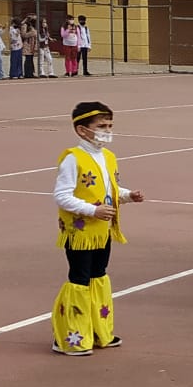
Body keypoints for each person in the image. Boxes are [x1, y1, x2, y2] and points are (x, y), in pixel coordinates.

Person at [50, 101, 146, 356]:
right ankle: (70, 336)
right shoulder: (73, 158)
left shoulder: (108, 157)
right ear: (82, 130)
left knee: (98, 275)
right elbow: (62, 195)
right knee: (79, 279)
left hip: (102, 230)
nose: (107, 130)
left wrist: (127, 196)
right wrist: (92, 211)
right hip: (81, 232)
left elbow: (108, 190)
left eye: (110, 125)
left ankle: (98, 329)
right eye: (101, 126)